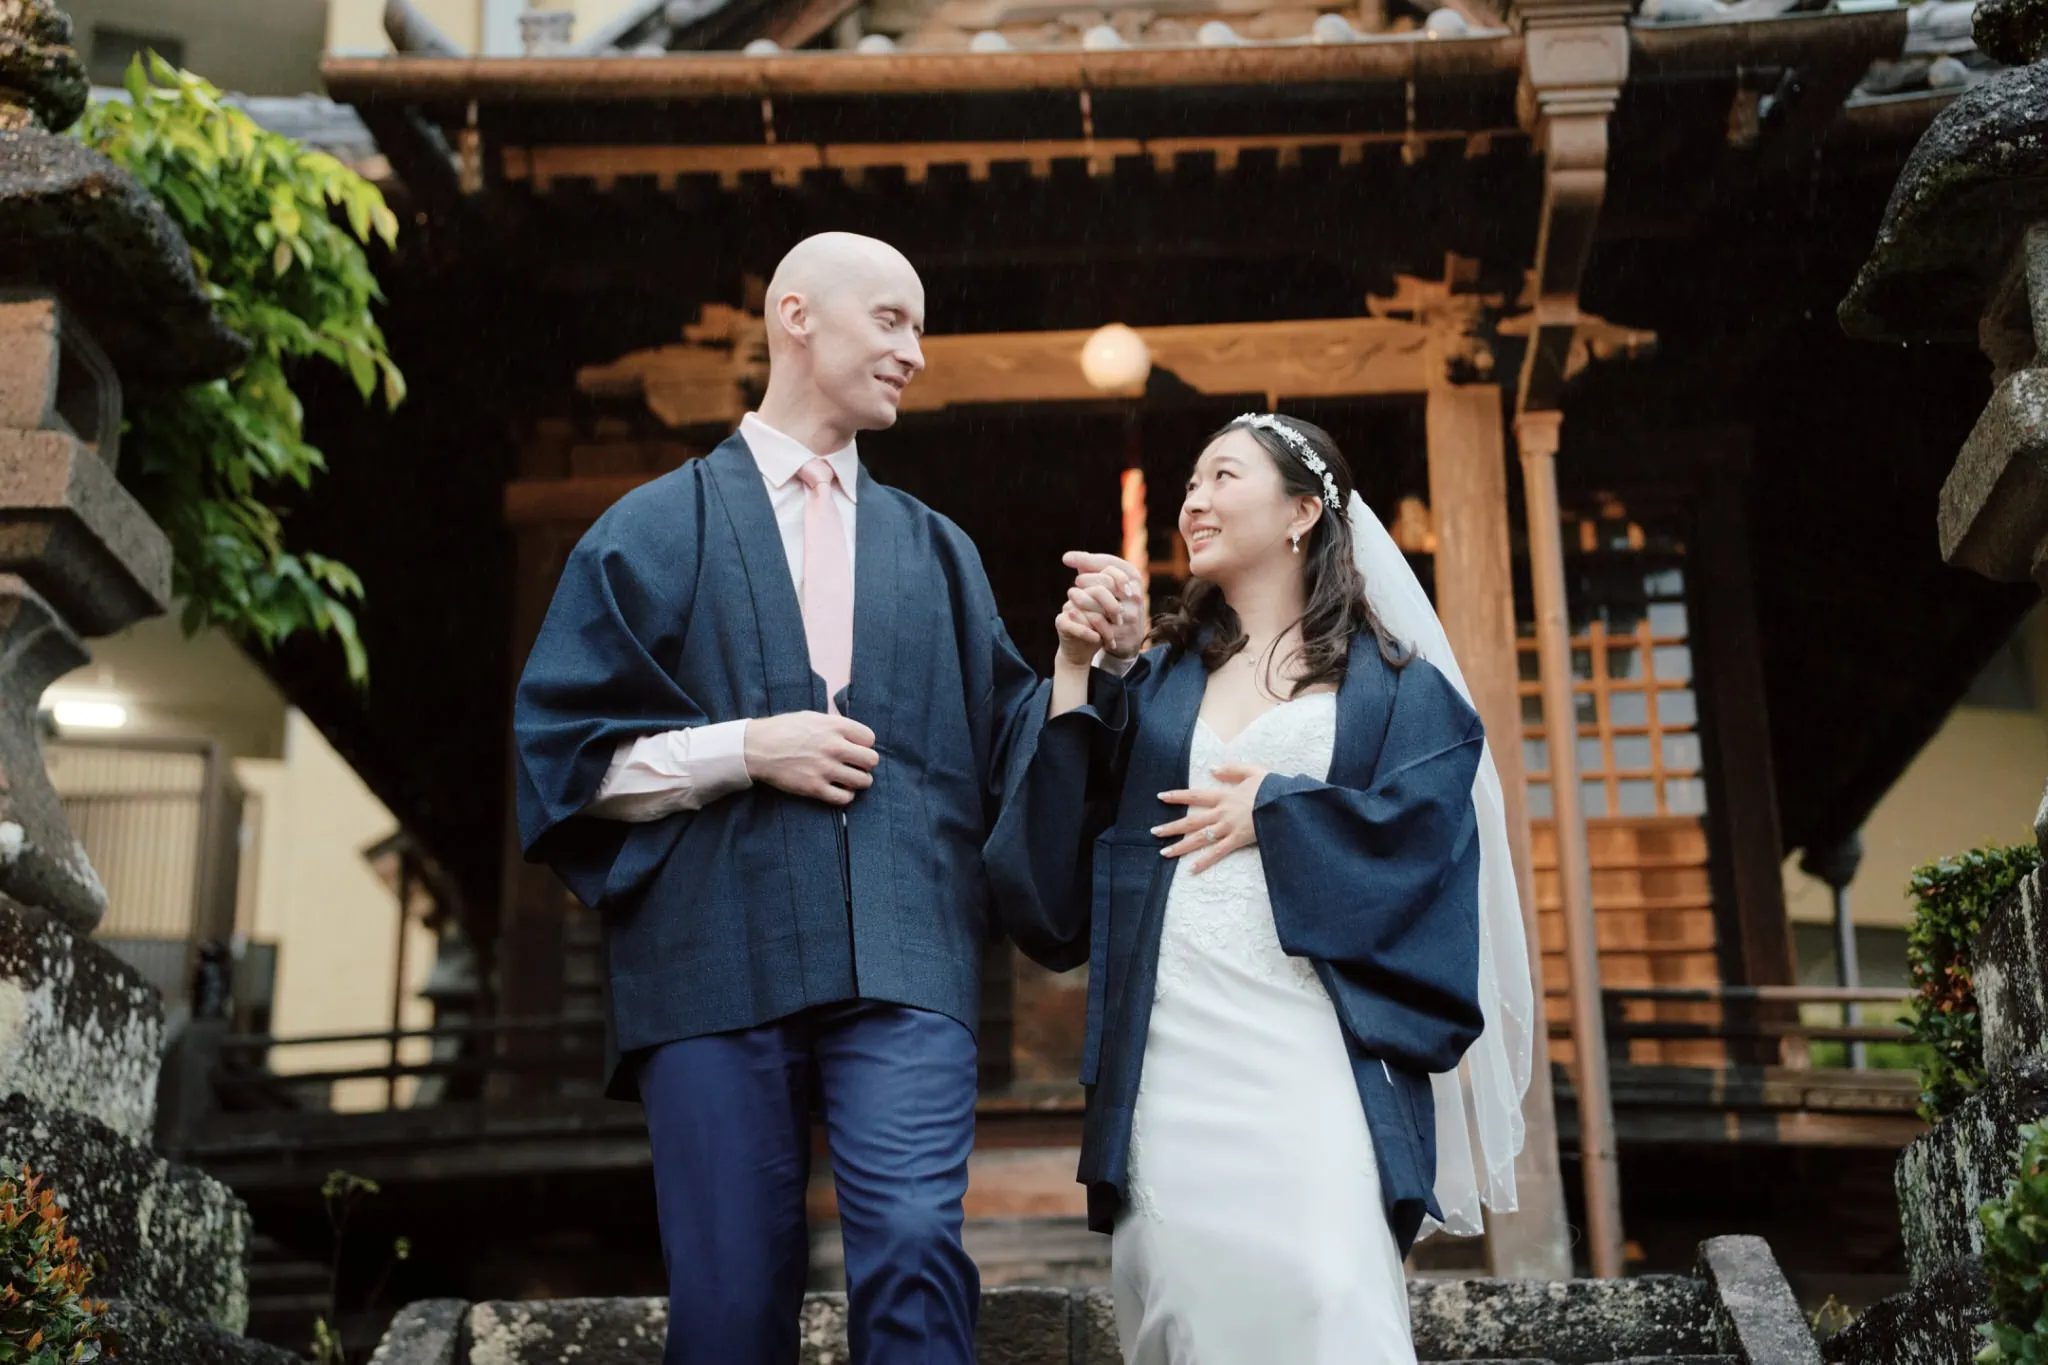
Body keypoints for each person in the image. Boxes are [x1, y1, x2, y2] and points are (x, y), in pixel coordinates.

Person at [512, 231, 1142, 1365]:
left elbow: (1011, 750)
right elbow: (564, 759)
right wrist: (748, 748)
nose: (915, 353)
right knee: (729, 1294)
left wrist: (1078, 664)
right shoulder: (650, 529)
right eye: (891, 320)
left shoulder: (937, 551)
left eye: (920, 328)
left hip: (908, 949)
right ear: (795, 316)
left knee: (913, 1249)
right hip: (711, 952)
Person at [986, 413, 1534, 1364]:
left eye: (1223, 477)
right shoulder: (1159, 678)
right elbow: (1060, 858)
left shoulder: (1397, 690)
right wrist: (1083, 668)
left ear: (1301, 512)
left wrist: (1280, 813)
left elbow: (1425, 843)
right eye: (1189, 483)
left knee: (1327, 1285)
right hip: (1173, 1043)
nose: (1194, 500)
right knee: (1193, 1305)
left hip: (1316, 1043)